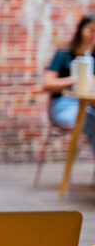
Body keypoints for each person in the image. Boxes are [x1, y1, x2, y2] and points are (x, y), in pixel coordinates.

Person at [42, 14, 95, 149]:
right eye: (91, 30)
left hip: (89, 104)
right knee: (89, 122)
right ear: (81, 30)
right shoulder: (64, 54)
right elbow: (47, 84)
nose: (93, 35)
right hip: (64, 104)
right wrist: (76, 79)